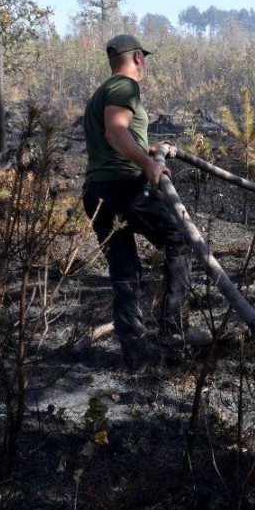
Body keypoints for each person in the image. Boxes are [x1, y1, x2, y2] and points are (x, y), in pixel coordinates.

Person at [82, 33, 192, 371]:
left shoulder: (102, 93)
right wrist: (148, 164)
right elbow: (116, 133)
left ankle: (136, 357)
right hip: (125, 186)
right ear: (138, 59)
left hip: (97, 190)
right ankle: (174, 333)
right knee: (180, 240)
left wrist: (149, 147)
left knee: (124, 270)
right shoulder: (124, 87)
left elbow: (118, 136)